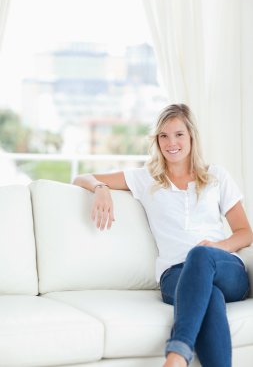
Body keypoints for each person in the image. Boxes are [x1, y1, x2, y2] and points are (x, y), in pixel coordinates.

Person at [73, 104, 253, 367]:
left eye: (179, 134)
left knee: (201, 255)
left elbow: (245, 232)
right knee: (210, 297)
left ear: (191, 136)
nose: (171, 143)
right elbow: (82, 177)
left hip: (224, 267)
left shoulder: (216, 176)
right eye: (164, 136)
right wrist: (100, 188)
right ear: (156, 140)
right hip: (175, 275)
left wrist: (219, 246)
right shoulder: (146, 179)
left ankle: (177, 355)